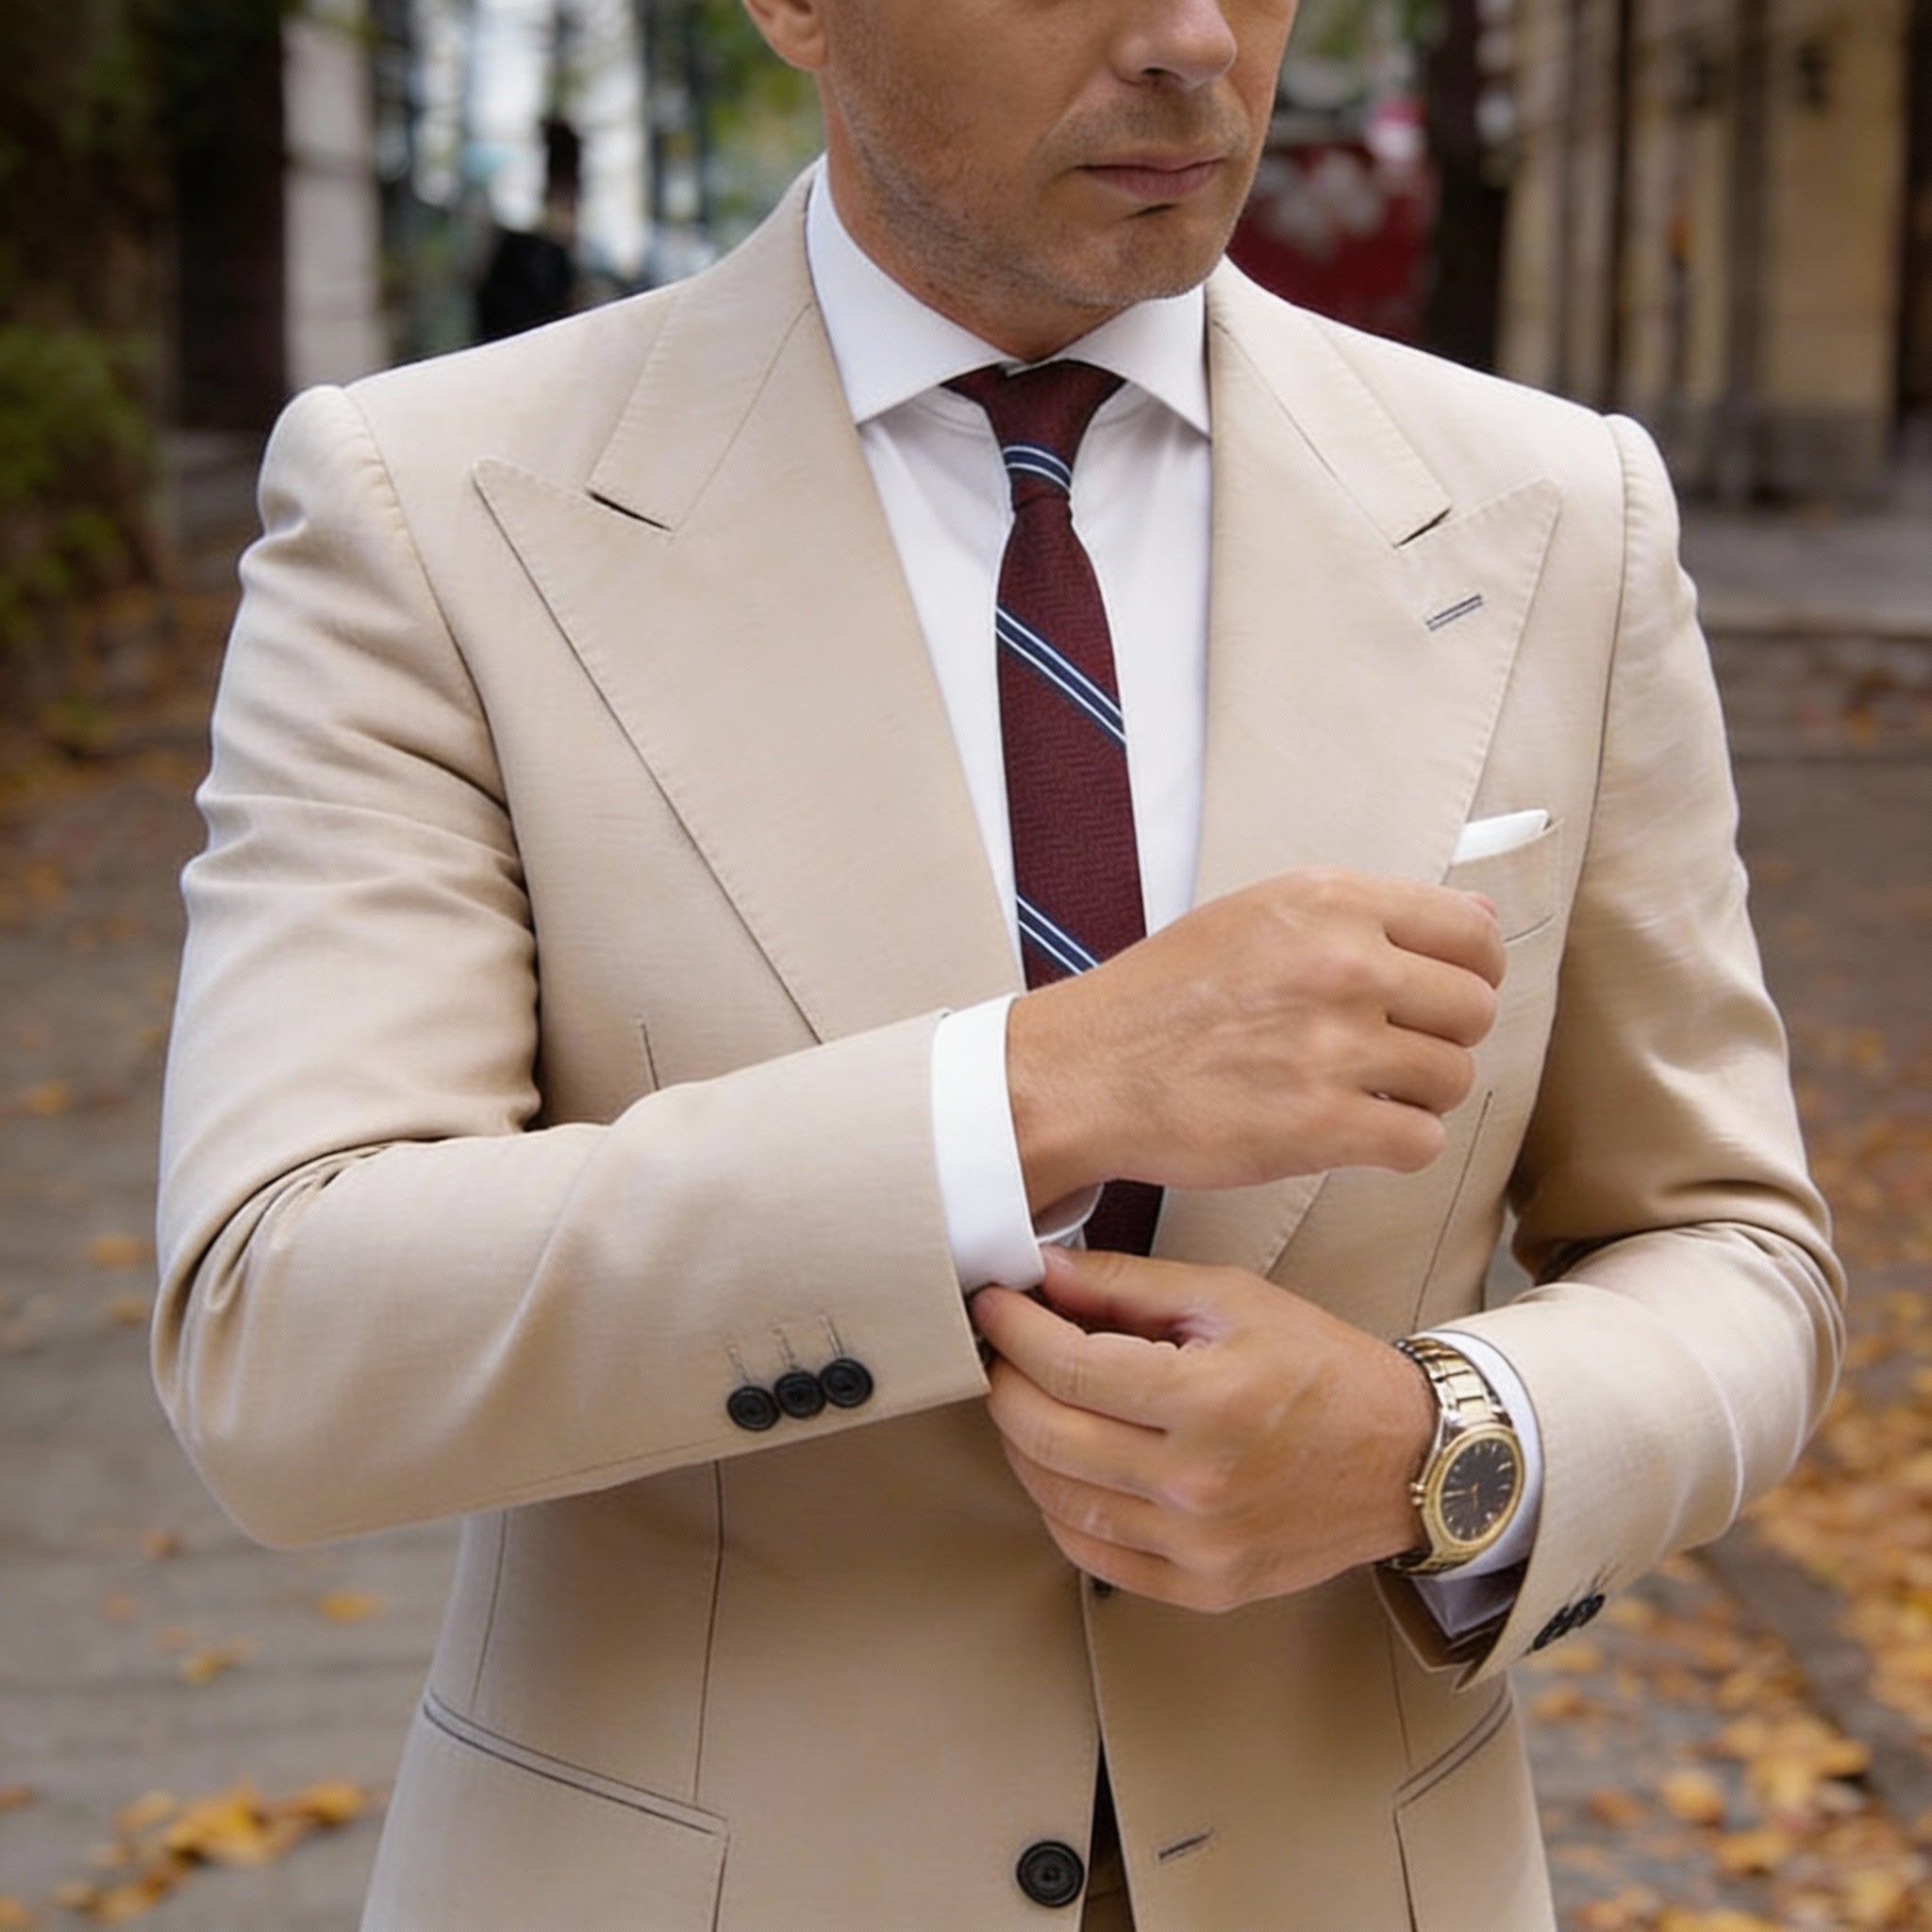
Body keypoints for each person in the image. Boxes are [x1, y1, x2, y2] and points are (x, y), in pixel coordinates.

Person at [152, 2, 1843, 1928]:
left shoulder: (1556, 512)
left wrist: (1439, 1446)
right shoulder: (430, 509)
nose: (1191, 36)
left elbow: (1735, 1252)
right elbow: (283, 1335)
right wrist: (1038, 1092)